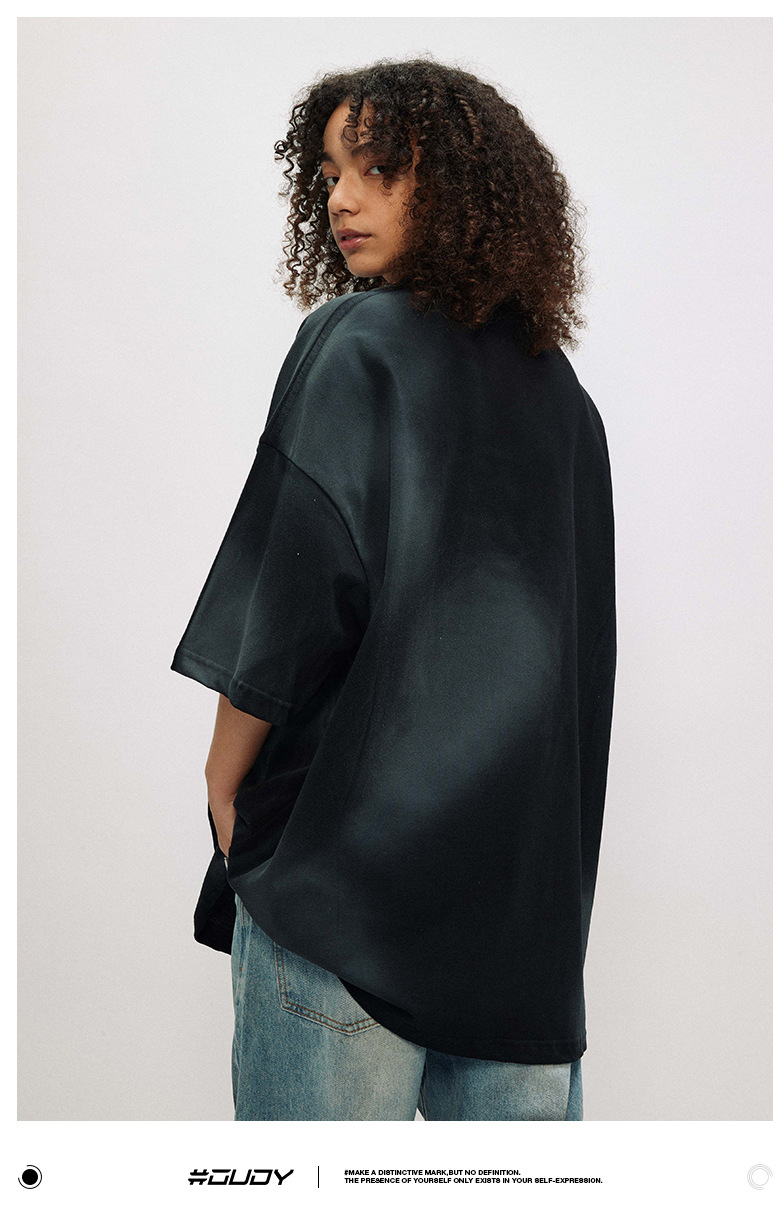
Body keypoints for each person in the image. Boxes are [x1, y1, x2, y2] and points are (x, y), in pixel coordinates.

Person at [171, 57, 616, 1122]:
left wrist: (224, 775)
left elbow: (288, 592)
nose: (340, 198)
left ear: (455, 182)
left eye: (378, 168)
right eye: (329, 174)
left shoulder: (354, 340)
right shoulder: (565, 397)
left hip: (346, 902)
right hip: (519, 934)